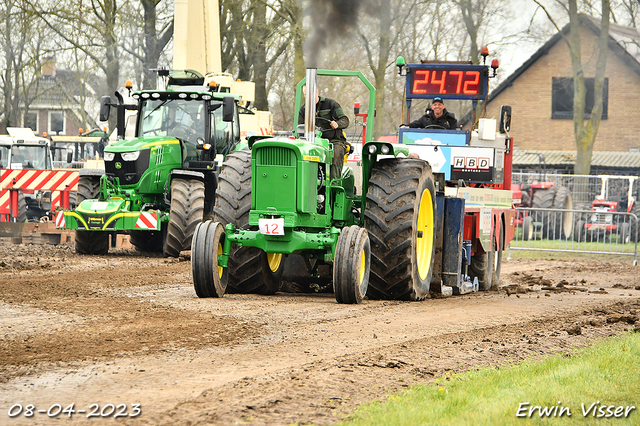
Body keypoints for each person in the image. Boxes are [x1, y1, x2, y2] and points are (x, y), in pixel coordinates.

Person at [298, 87, 349, 181]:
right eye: (306, 94)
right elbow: (300, 127)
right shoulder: (303, 110)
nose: (309, 97)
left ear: (317, 92)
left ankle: (334, 183)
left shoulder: (331, 104)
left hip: (333, 141)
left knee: (337, 152)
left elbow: (345, 120)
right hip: (313, 141)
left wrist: (337, 124)